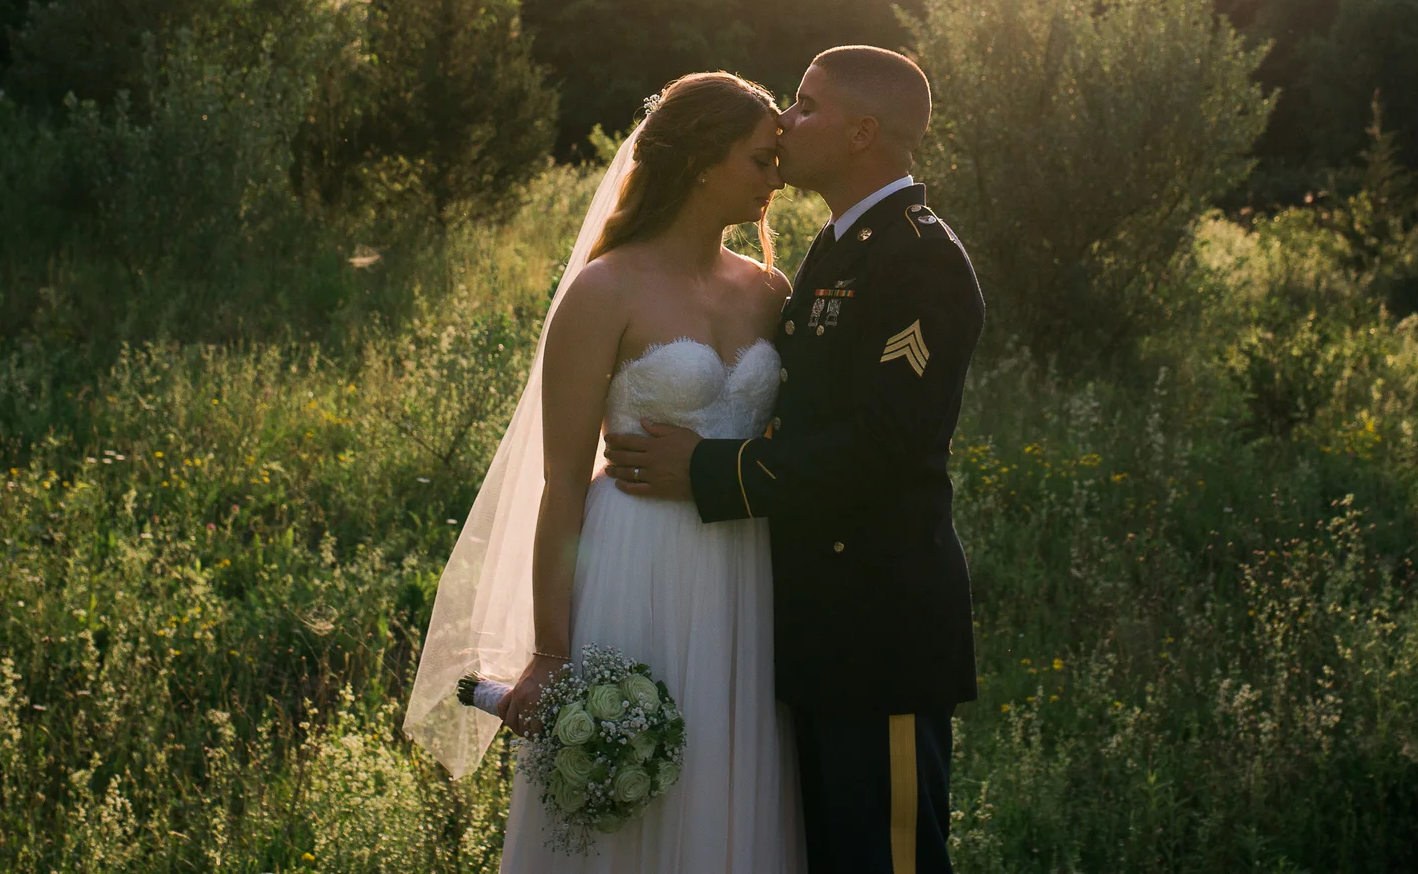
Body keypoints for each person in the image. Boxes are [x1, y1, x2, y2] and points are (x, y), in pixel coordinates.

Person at [405, 72, 807, 873]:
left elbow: (786, 445)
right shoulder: (605, 289)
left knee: (733, 770)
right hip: (636, 562)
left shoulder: (771, 290)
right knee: (631, 789)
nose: (777, 178)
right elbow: (560, 481)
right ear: (701, 161)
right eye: (761, 160)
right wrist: (552, 650)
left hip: (746, 564)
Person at [609, 46, 985, 874]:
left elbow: (881, 451)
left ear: (862, 132)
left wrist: (711, 470)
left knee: (887, 862)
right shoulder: (838, 249)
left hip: (879, 632)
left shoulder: (919, 259)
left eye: (805, 106)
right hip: (814, 626)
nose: (783, 121)